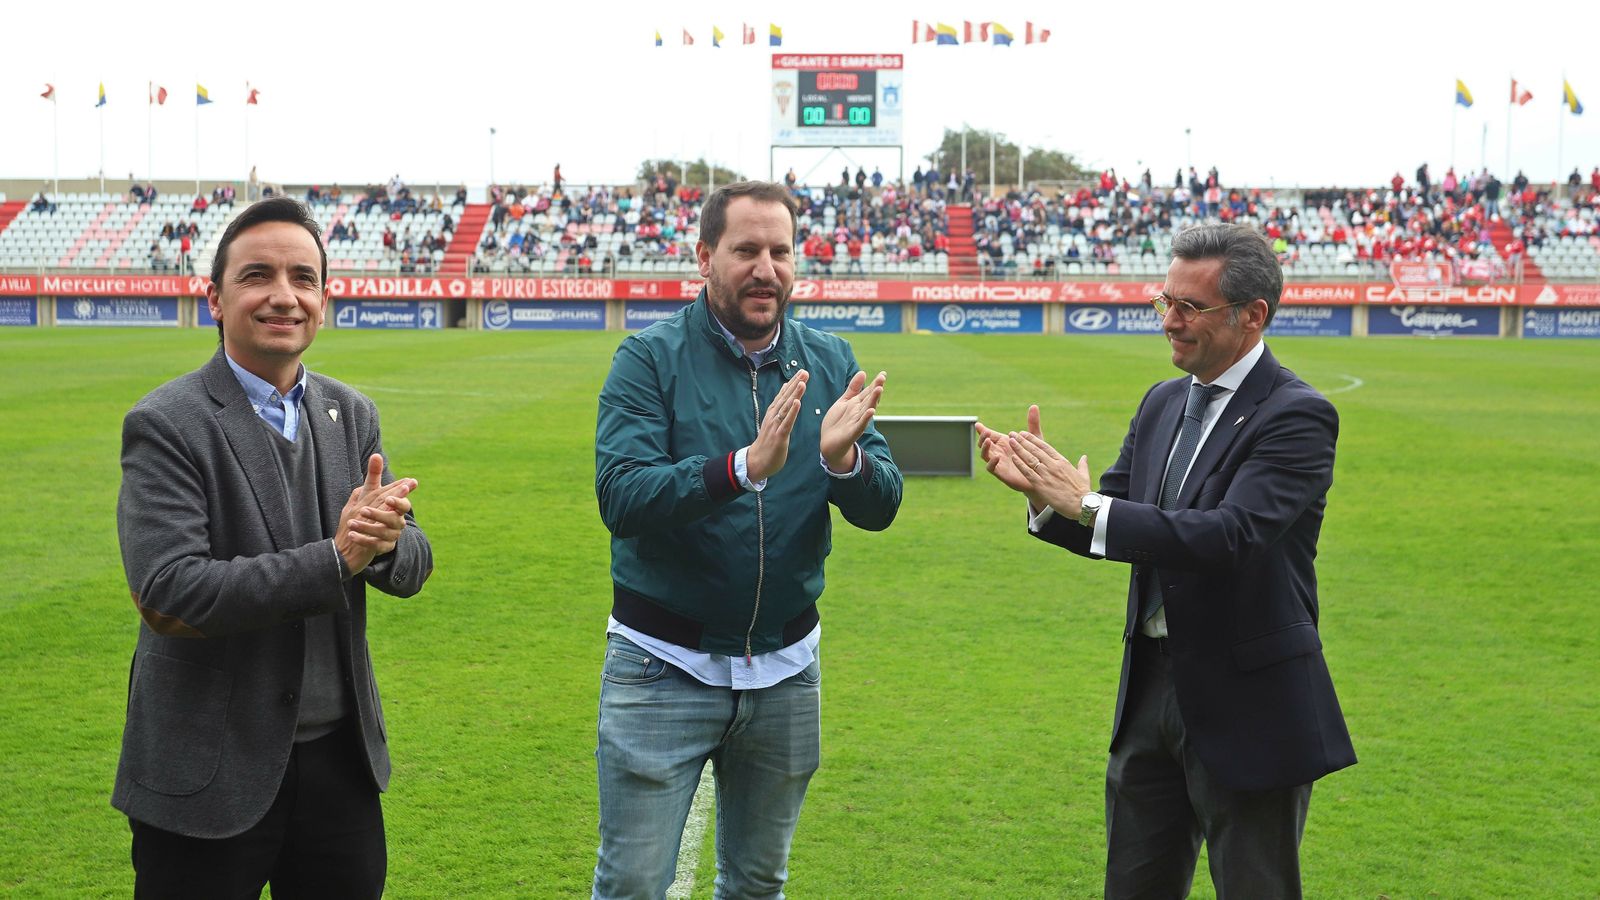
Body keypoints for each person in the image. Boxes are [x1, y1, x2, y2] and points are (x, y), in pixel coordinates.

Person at [976, 223, 1355, 899]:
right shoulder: (1161, 402)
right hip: (1150, 691)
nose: (1169, 322)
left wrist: (1085, 504)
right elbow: (1116, 518)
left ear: (1252, 315)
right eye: (1165, 301)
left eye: (1190, 307)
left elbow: (1228, 536)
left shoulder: (1297, 416)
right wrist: (1045, 497)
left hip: (1250, 703)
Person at [112, 196, 433, 898]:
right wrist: (337, 558)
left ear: (324, 301)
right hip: (207, 773)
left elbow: (411, 560)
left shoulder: (351, 412)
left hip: (339, 770)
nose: (283, 295)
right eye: (257, 275)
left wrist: (384, 547)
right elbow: (170, 592)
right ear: (215, 301)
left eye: (304, 278)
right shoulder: (166, 423)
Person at [593, 180, 903, 899]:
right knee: (633, 885)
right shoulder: (648, 359)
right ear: (704, 257)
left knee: (760, 884)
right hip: (660, 665)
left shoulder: (830, 360)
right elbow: (623, 495)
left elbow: (882, 505)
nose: (766, 268)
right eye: (746, 251)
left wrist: (843, 462)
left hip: (787, 673)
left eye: (781, 251)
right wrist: (739, 469)